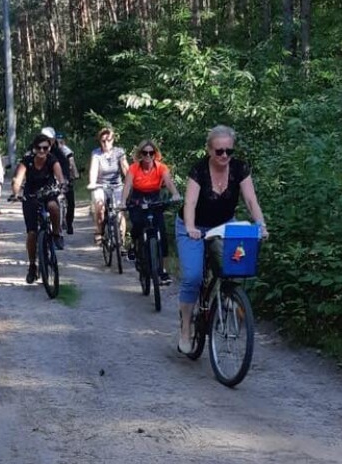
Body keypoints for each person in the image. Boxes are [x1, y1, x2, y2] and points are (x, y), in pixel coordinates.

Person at [176, 124, 269, 354]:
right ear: (209, 150)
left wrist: (261, 226)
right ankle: (186, 328)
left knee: (235, 264)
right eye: (219, 151)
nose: (224, 155)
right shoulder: (198, 171)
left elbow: (250, 201)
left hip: (224, 224)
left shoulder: (239, 169)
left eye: (229, 151)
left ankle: (227, 295)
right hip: (195, 226)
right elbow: (190, 203)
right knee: (193, 276)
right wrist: (190, 227)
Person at [122, 139, 179, 285]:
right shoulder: (134, 168)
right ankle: (134, 247)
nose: (148, 155)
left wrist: (175, 194)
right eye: (145, 152)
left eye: (151, 152)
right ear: (140, 154)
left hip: (155, 199)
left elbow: (169, 182)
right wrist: (123, 202)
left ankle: (163, 271)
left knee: (162, 235)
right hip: (138, 198)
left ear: (155, 154)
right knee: (137, 224)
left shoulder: (161, 167)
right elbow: (127, 185)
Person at [11, 135, 66, 284]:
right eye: (39, 148)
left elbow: (60, 176)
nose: (42, 151)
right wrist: (16, 193)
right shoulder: (27, 160)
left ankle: (56, 234)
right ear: (34, 148)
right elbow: (18, 179)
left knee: (53, 206)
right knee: (32, 233)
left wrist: (62, 186)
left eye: (45, 148)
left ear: (49, 149)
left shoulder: (52, 160)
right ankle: (32, 265)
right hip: (30, 195)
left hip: (48, 192)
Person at [87, 125, 128, 243]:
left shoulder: (119, 152)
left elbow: (126, 168)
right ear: (100, 141)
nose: (106, 143)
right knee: (99, 206)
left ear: (113, 140)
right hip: (100, 185)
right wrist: (92, 183)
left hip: (117, 185)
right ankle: (99, 231)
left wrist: (131, 181)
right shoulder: (96, 153)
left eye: (108, 140)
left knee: (120, 211)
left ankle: (122, 241)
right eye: (103, 141)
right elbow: (94, 169)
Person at [55, 130, 79, 234]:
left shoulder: (66, 151)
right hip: (55, 178)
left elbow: (72, 164)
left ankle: (69, 223)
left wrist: (75, 174)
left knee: (71, 202)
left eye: (61, 141)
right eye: (58, 141)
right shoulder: (51, 151)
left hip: (66, 177)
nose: (60, 143)